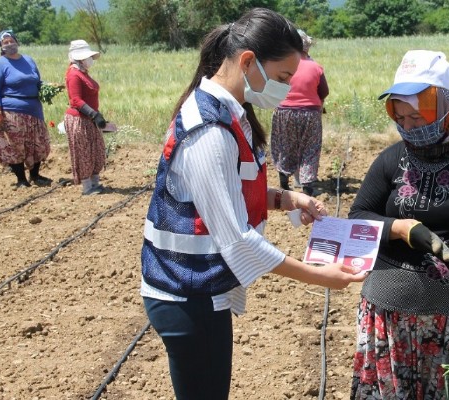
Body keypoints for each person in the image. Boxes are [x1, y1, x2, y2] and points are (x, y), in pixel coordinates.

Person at [139, 8, 366, 400]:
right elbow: (237, 240)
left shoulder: (230, 111)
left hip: (197, 291)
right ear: (248, 62)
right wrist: (319, 276)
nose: (286, 88)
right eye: (282, 78)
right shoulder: (209, 129)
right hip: (187, 296)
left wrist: (284, 198)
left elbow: (226, 193)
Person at [348, 50, 449, 399]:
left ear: (448, 109)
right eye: (402, 117)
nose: (409, 127)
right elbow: (359, 216)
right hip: (388, 312)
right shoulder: (391, 159)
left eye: (418, 118)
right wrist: (400, 229)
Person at [0, 29, 52, 188]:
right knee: (15, 145)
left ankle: (35, 176)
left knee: (38, 143)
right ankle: (21, 179)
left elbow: (37, 81)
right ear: (1, 46)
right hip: (12, 111)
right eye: (5, 42)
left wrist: (47, 87)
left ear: (17, 42)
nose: (9, 44)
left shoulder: (29, 60)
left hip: (34, 109)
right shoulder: (0, 64)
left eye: (11, 41)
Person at [270, 29, 329, 196]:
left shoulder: (281, 64)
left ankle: (284, 183)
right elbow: (324, 91)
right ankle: (308, 188)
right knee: (310, 149)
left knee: (284, 146)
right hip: (310, 113)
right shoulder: (315, 67)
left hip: (283, 112)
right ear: (307, 48)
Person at [64, 40, 108, 195]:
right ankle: (87, 187)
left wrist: (96, 116)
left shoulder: (83, 74)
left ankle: (95, 183)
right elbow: (75, 100)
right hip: (80, 120)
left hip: (89, 119)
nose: (90, 60)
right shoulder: (74, 75)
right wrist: (93, 114)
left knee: (96, 150)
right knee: (84, 152)